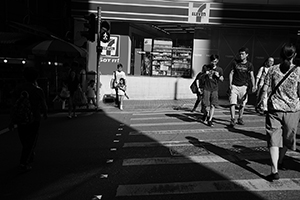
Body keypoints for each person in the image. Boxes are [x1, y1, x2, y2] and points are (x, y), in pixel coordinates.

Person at [261, 44, 300, 181]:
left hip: (274, 109)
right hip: (293, 110)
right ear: (294, 55)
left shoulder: (272, 69)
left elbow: (265, 88)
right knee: (287, 139)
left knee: (273, 139)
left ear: (280, 55)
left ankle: (274, 170)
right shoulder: (299, 71)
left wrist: (260, 101)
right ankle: (280, 161)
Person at [10, 67, 48, 171]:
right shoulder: (38, 90)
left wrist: (12, 120)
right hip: (34, 118)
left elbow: (13, 105)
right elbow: (43, 104)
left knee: (24, 138)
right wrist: (45, 114)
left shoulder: (18, 89)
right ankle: (24, 161)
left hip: (21, 118)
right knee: (31, 139)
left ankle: (28, 154)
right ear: (36, 78)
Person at [228, 47, 256, 127]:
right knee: (232, 102)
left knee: (242, 104)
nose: (241, 55)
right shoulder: (235, 63)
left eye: (242, 54)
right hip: (234, 85)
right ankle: (233, 119)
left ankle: (240, 118)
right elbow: (231, 73)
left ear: (247, 55)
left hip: (244, 86)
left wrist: (254, 85)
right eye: (240, 54)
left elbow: (252, 76)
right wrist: (230, 84)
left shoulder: (249, 65)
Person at [201, 55, 224, 127]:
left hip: (214, 89)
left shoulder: (219, 69)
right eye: (212, 61)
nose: (214, 63)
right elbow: (200, 76)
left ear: (217, 61)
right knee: (205, 105)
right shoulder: (205, 67)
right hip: (206, 88)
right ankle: (205, 114)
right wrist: (206, 74)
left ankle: (210, 119)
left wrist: (218, 76)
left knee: (212, 105)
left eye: (215, 61)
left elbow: (222, 79)